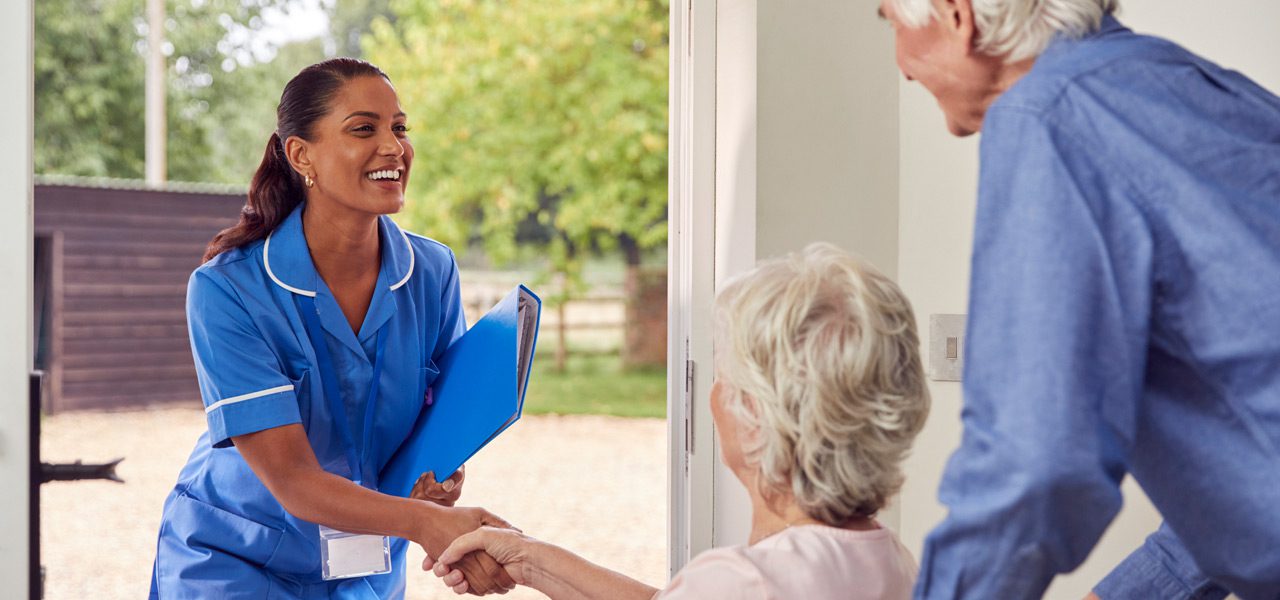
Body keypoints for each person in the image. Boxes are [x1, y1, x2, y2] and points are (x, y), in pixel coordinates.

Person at [877, 0, 1280, 597]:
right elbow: (1249, 456)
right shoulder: (1188, 87)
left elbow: (1030, 467)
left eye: (889, 18)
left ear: (956, 15)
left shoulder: (1048, 115)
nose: (902, 67)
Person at [149, 58, 517, 598]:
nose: (394, 146)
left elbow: (441, 421)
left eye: (399, 128)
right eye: (363, 129)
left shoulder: (433, 272)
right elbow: (294, 481)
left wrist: (439, 480)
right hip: (237, 561)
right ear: (302, 155)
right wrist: (426, 524)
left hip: (365, 564)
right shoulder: (228, 289)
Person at [425, 243, 931, 599]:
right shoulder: (893, 562)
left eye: (725, 373)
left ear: (756, 417)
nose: (713, 393)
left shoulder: (746, 581)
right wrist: (528, 557)